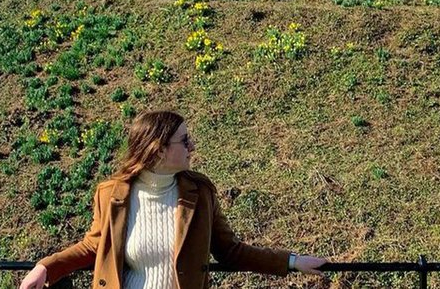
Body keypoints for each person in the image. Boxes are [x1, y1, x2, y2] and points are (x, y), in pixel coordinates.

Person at [19, 111, 328, 289]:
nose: (192, 145)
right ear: (158, 149)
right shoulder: (111, 193)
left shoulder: (200, 193)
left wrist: (291, 261)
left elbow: (229, 250)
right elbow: (93, 247)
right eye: (184, 140)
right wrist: (46, 267)